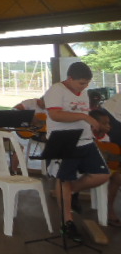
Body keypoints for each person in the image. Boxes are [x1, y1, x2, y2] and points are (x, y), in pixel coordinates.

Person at [44, 61, 110, 242]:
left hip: (85, 140)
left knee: (102, 175)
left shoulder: (84, 93)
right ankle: (67, 222)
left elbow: (85, 114)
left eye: (87, 83)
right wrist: (83, 116)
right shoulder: (56, 90)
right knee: (64, 179)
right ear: (70, 78)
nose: (84, 87)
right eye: (81, 83)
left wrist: (93, 125)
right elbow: (55, 115)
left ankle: (69, 193)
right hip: (62, 141)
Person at [88, 109, 121, 227]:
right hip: (87, 167)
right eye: (104, 123)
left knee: (118, 177)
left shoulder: (106, 138)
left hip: (103, 167)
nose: (108, 126)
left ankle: (109, 207)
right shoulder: (87, 135)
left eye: (109, 123)